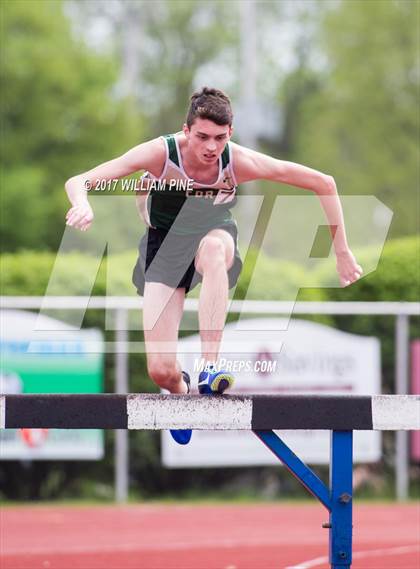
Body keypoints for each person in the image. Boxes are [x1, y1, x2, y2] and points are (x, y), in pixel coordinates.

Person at [65, 87, 363, 445]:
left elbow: (323, 183)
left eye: (220, 138)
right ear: (186, 130)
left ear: (230, 134)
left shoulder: (237, 161)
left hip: (214, 233)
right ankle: (182, 390)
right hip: (164, 245)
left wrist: (342, 251)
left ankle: (210, 365)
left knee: (212, 249)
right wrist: (82, 203)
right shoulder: (160, 153)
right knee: (160, 371)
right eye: (202, 136)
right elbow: (79, 180)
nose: (210, 147)